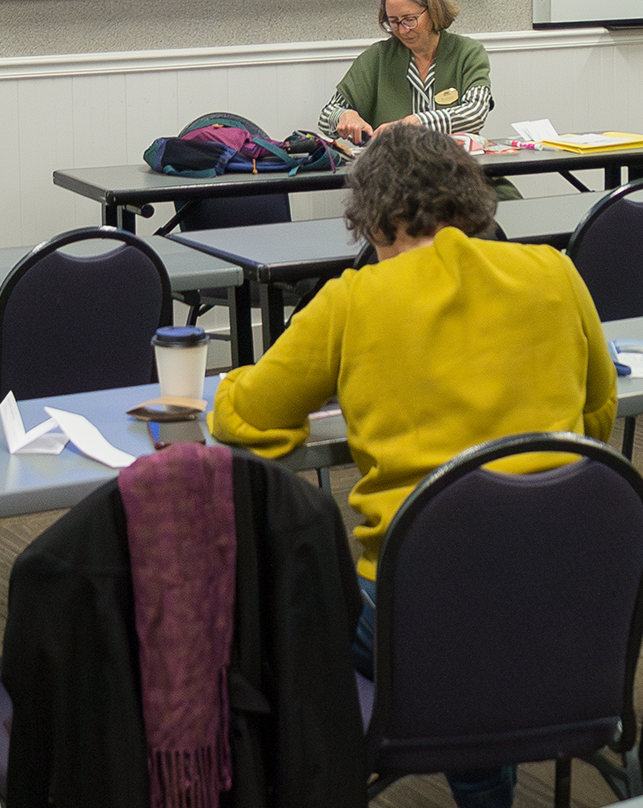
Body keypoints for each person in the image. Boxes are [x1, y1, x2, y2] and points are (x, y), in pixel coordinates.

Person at [211, 123, 617, 808]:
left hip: (415, 605)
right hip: (570, 591)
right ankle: (484, 781)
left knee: (281, 632)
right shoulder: (554, 271)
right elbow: (598, 415)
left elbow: (246, 416)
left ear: (374, 216)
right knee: (476, 631)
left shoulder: (352, 300)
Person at [319, 0, 519, 199]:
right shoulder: (377, 59)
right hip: (398, 182)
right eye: (393, 22)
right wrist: (345, 117)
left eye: (410, 19)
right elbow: (327, 115)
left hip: (458, 174)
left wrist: (412, 124)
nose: (402, 30)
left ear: (433, 10)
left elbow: (475, 112)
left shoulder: (467, 52)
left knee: (506, 200)